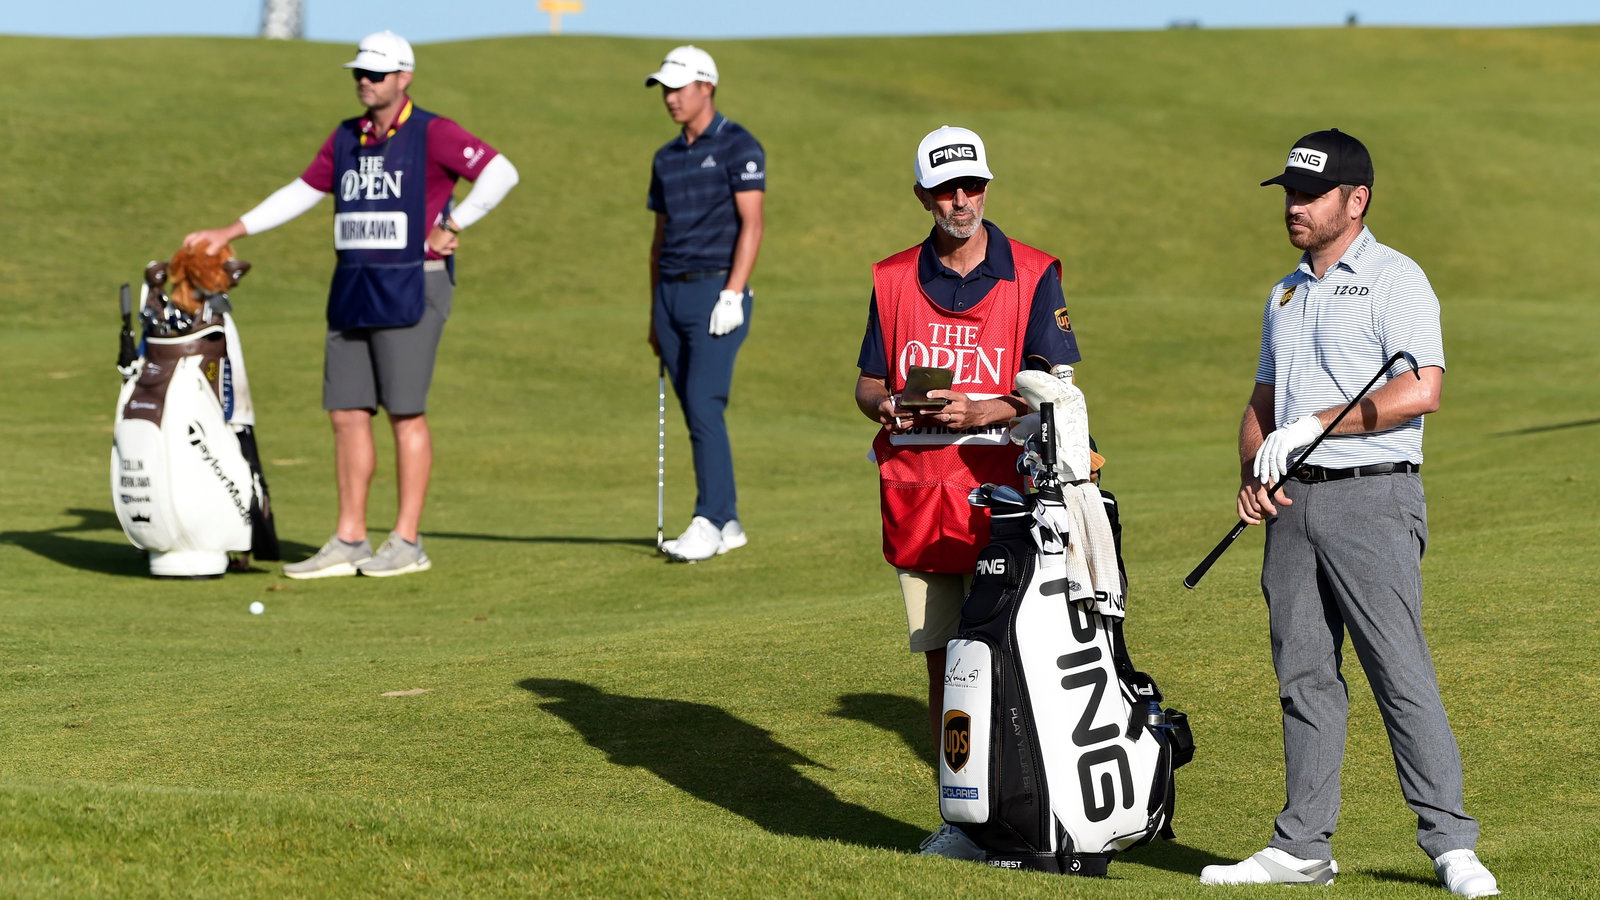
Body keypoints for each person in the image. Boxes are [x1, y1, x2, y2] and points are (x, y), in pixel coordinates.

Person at [1199, 129, 1498, 898]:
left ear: (1355, 200)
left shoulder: (1397, 278)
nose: (1294, 207)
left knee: (1399, 672)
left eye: (1310, 195)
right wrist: (1254, 469)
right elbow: (1263, 399)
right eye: (1290, 194)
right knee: (1303, 677)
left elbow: (1421, 389)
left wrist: (1315, 422)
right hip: (1295, 505)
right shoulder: (1286, 289)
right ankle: (1302, 847)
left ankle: (1452, 845)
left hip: (1374, 496)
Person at [184, 30, 519, 579]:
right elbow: (302, 190)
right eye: (358, 73)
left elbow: (501, 172)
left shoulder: (434, 132)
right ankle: (350, 539)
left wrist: (452, 225)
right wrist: (232, 228)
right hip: (353, 286)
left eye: (376, 74)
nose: (364, 81)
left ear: (403, 77)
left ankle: (407, 541)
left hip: (414, 284)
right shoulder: (346, 137)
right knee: (346, 413)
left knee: (405, 413)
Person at [853, 125, 1081, 860]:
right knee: (946, 664)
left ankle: (1038, 809)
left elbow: (1059, 388)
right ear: (923, 195)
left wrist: (986, 409)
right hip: (921, 494)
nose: (962, 201)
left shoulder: (1036, 271)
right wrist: (889, 405)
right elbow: (865, 382)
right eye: (947, 189)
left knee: (1020, 656)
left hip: (1009, 494)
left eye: (972, 186)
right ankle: (963, 819)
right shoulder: (891, 278)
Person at [643, 45, 765, 563]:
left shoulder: (739, 145)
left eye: (679, 87)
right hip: (670, 293)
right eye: (665, 89)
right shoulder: (666, 157)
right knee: (696, 409)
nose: (670, 98)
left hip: (717, 292)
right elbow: (659, 235)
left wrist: (734, 291)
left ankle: (709, 518)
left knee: (704, 405)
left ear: (705, 87)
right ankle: (728, 519)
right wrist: (654, 310)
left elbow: (752, 224)